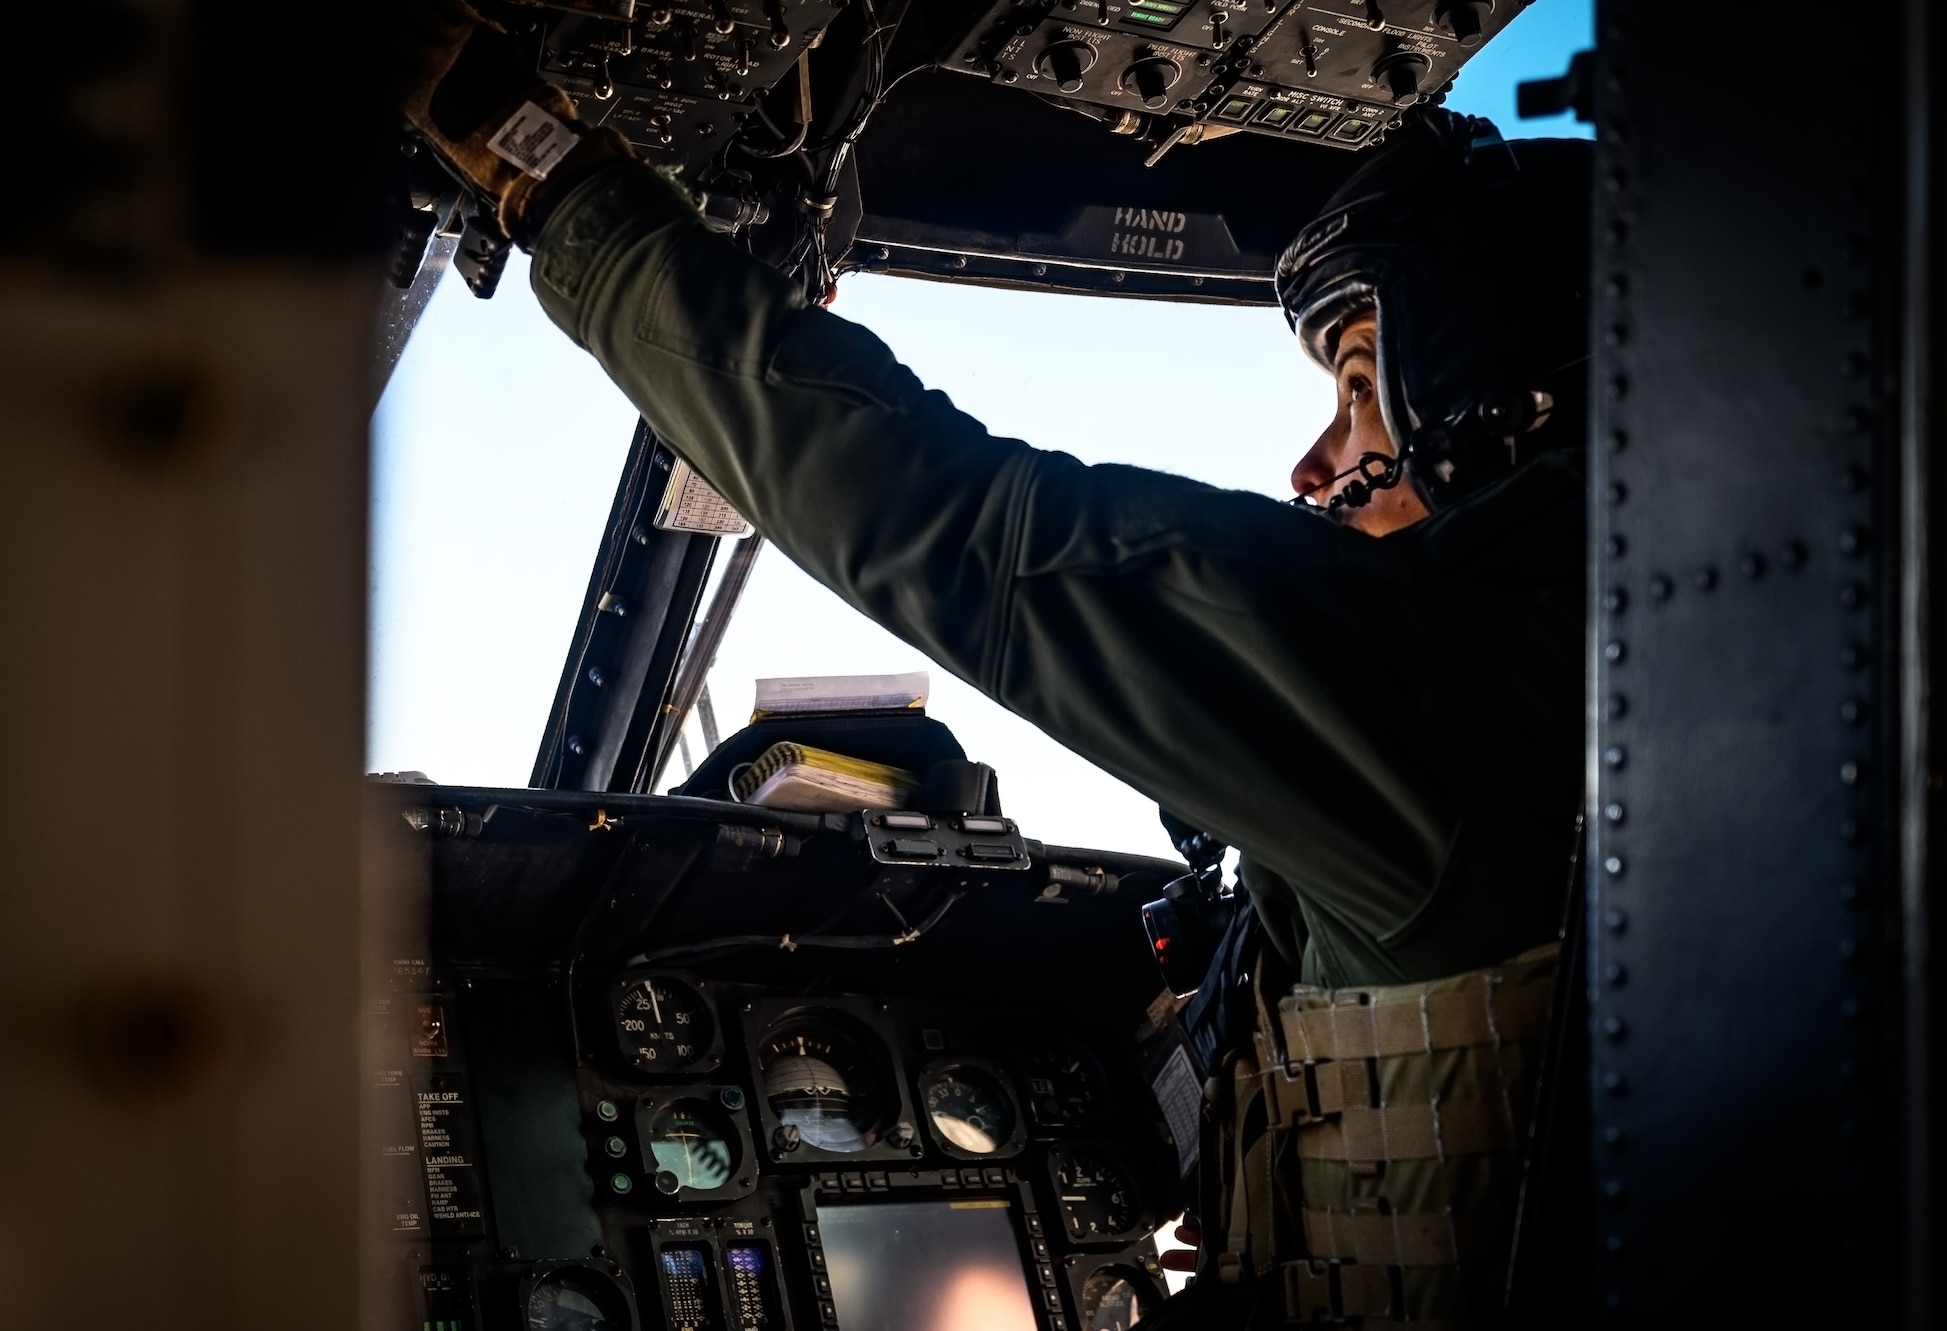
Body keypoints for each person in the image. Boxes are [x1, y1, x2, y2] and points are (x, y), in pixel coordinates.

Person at [402, 6, 1590, 1324]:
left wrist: (548, 174)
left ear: (1499, 397)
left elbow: (935, 517)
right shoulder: (1603, 716)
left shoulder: (1438, 700)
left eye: (1361, 386)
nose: (1316, 464)